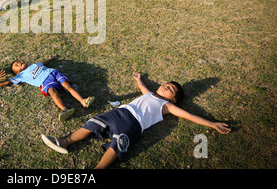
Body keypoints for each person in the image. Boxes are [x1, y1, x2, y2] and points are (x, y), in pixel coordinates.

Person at [41, 72, 231, 169]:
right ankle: (65, 141)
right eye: (167, 84)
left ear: (172, 99)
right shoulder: (150, 93)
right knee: (93, 122)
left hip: (134, 124)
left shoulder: (167, 106)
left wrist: (212, 124)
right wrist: (139, 79)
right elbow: (142, 87)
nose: (166, 86)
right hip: (120, 112)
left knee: (118, 144)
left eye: (171, 89)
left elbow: (190, 116)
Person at [0, 55, 95, 121]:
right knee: (53, 92)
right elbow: (8, 82)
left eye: (18, 61)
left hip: (53, 73)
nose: (19, 62)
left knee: (68, 87)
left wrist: (50, 59)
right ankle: (64, 109)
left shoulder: (34, 65)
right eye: (16, 65)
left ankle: (83, 101)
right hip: (44, 82)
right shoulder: (20, 76)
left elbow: (43, 63)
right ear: (17, 72)